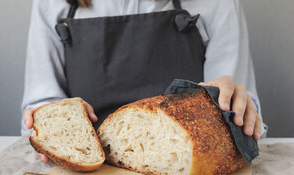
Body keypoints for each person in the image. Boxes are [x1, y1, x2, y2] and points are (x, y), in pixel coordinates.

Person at [22, 0, 267, 162]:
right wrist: (55, 125)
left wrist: (233, 106)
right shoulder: (51, 4)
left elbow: (244, 118)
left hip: (186, 165)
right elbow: (40, 106)